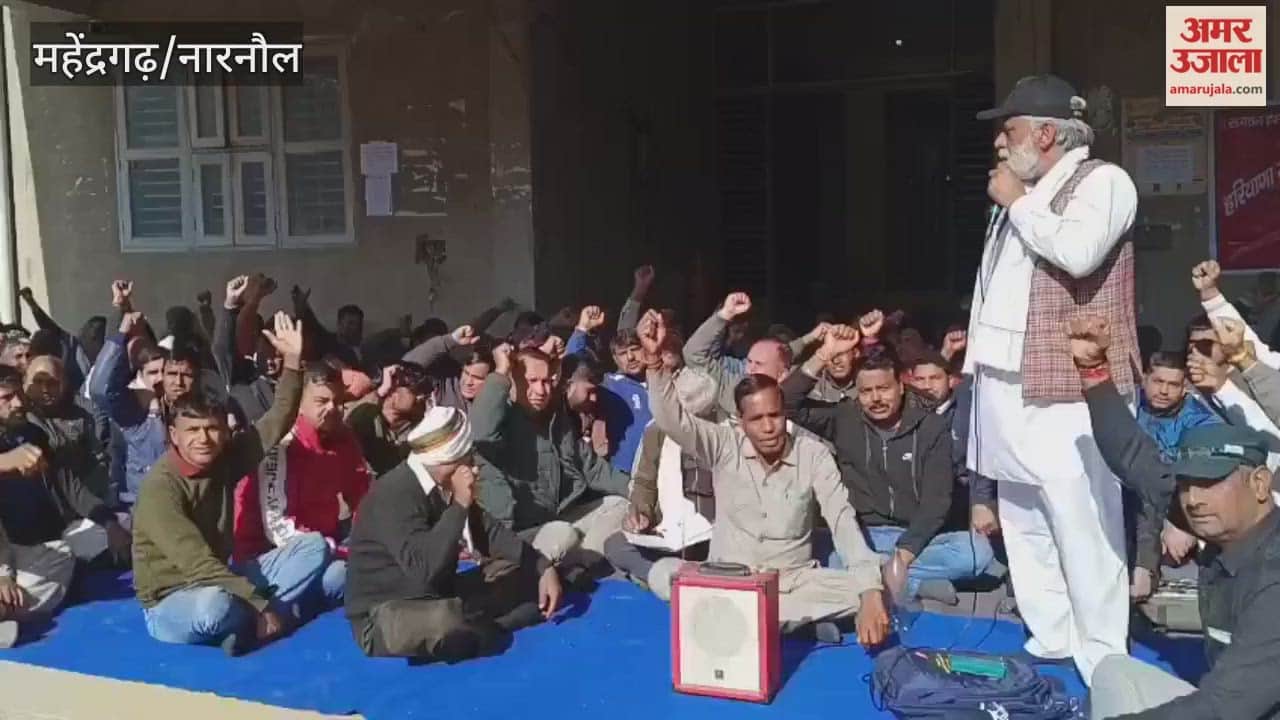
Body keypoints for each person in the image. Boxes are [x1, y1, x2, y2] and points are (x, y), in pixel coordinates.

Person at [964, 74, 1138, 682]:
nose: (999, 144)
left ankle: (1102, 656)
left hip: (1069, 387)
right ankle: (1052, 634)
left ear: (1045, 133)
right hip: (1003, 382)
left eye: (1008, 131)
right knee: (1024, 517)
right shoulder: (1022, 193)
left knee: (1082, 518)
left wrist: (1016, 201)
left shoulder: (1104, 182)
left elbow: (1080, 252)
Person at [1068, 316, 1280, 719]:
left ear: (1258, 484)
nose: (1195, 499)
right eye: (1188, 484)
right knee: (1113, 671)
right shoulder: (1214, 515)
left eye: (1213, 482)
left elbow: (1222, 708)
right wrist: (1093, 371)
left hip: (1235, 708)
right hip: (1226, 701)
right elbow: (1135, 458)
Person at [639, 311, 890, 643]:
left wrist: (870, 591)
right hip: (731, 579)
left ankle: (763, 621)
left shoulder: (812, 454)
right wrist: (655, 361)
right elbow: (673, 420)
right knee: (661, 575)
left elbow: (843, 524)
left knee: (876, 584)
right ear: (741, 422)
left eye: (775, 415)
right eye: (757, 419)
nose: (769, 426)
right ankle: (792, 623)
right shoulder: (723, 444)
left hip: (793, 581)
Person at [131, 312, 328, 656]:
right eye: (192, 431)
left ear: (225, 431)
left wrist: (294, 362)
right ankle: (270, 614)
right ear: (174, 436)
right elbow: (197, 565)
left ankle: (250, 623)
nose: (204, 439)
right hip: (175, 599)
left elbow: (277, 421)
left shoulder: (224, 458)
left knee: (314, 547)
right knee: (216, 608)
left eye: (212, 429)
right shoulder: (160, 487)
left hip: (225, 575)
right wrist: (260, 605)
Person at [783, 331, 993, 603]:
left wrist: (903, 558)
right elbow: (785, 402)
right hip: (861, 535)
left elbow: (937, 503)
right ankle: (915, 585)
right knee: (819, 553)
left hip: (917, 538)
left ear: (901, 386)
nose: (876, 399)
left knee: (978, 553)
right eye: (867, 392)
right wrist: (824, 353)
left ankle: (875, 577)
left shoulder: (931, 427)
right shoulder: (844, 418)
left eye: (883, 388)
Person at [344, 405, 562, 662]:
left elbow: (488, 532)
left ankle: (486, 617)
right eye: (467, 459)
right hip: (384, 613)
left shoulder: (439, 484)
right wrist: (459, 504)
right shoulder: (393, 494)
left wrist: (540, 565)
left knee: (515, 568)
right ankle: (492, 622)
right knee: (448, 620)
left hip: (435, 594)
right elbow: (424, 568)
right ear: (448, 459)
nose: (473, 467)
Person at [470, 344, 630, 563]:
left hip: (558, 518)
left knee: (619, 506)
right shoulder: (501, 418)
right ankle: (563, 567)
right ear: (513, 380)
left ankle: (584, 564)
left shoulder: (556, 421)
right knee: (562, 535)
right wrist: (500, 372)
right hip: (518, 533)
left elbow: (593, 469)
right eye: (532, 381)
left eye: (546, 381)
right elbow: (481, 432)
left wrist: (643, 493)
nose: (541, 390)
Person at [233, 363, 371, 609]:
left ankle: (299, 604)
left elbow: (362, 496)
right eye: (322, 401)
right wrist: (333, 550)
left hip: (325, 546)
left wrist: (369, 543)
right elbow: (277, 528)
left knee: (351, 574)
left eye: (338, 401)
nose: (333, 409)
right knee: (336, 570)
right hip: (268, 555)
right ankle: (268, 611)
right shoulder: (282, 444)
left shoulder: (344, 437)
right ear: (300, 402)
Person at [602, 367, 718, 585]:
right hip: (667, 535)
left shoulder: (724, 436)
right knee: (615, 545)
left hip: (712, 538)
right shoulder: (656, 431)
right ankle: (667, 580)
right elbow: (645, 482)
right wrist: (641, 514)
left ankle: (672, 580)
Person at [90, 310, 203, 508]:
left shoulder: (202, 412)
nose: (162, 379)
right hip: (143, 508)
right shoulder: (137, 411)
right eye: (154, 372)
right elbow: (100, 389)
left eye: (167, 372)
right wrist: (121, 334)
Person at [683, 292, 807, 417]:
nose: (750, 368)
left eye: (759, 364)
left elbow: (782, 354)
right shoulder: (732, 387)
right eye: (749, 361)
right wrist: (724, 315)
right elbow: (693, 354)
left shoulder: (792, 400)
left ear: (781, 374)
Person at [347, 362, 433, 476]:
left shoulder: (416, 424)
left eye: (424, 393)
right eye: (415, 390)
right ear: (395, 390)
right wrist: (381, 391)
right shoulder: (369, 414)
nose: (421, 397)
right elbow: (349, 423)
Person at [401, 324, 489, 412]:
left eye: (478, 378)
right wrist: (450, 340)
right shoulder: (446, 379)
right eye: (466, 373)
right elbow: (406, 365)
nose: (468, 382)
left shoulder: (492, 407)